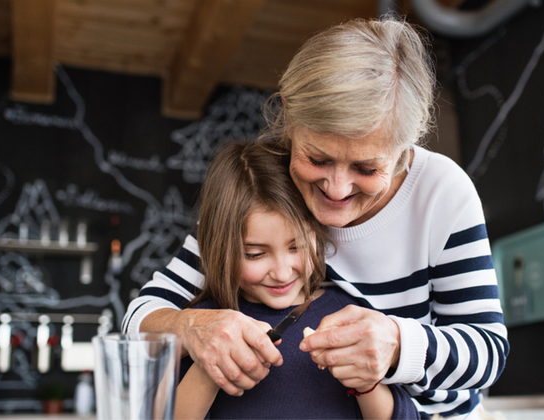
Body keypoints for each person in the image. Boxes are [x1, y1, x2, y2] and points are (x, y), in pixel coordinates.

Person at [124, 16, 508, 419]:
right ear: (290, 118)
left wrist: (396, 344)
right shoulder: (268, 188)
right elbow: (141, 315)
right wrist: (192, 327)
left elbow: (488, 352)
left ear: (404, 147)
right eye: (318, 158)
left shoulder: (440, 193)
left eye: (366, 168)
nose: (337, 190)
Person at [174, 140, 419, 420]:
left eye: (297, 247)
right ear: (221, 251)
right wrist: (211, 370)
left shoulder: (351, 318)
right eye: (254, 254)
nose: (281, 272)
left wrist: (366, 384)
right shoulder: (208, 332)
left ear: (319, 233)